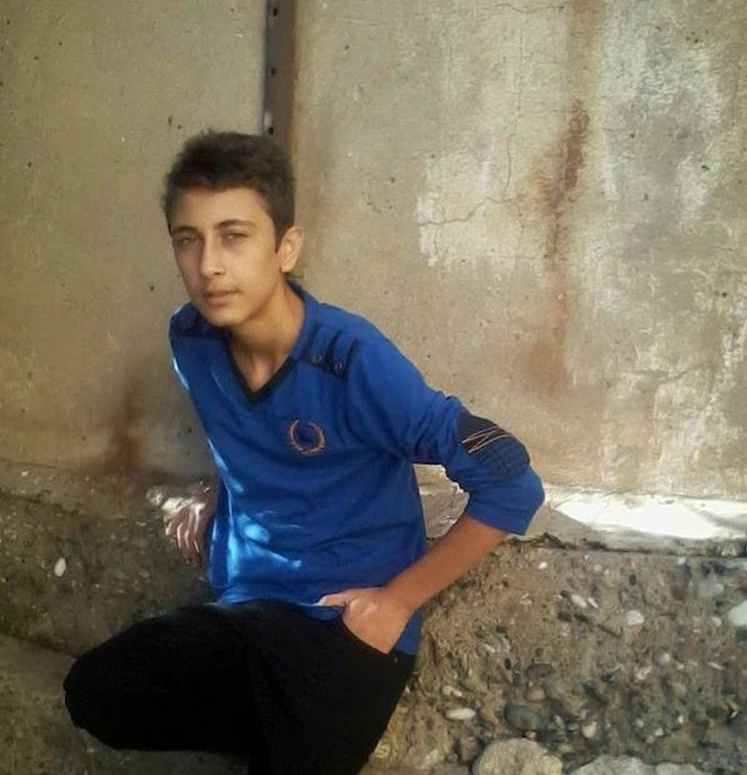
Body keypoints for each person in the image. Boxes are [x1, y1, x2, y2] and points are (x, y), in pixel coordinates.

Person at [63, 131, 545, 775]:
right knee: (95, 693)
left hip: (345, 628)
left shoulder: (351, 361)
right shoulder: (192, 340)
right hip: (251, 608)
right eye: (188, 239)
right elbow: (250, 433)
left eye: (234, 236)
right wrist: (222, 488)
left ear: (285, 247)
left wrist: (397, 602)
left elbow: (512, 482)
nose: (208, 265)